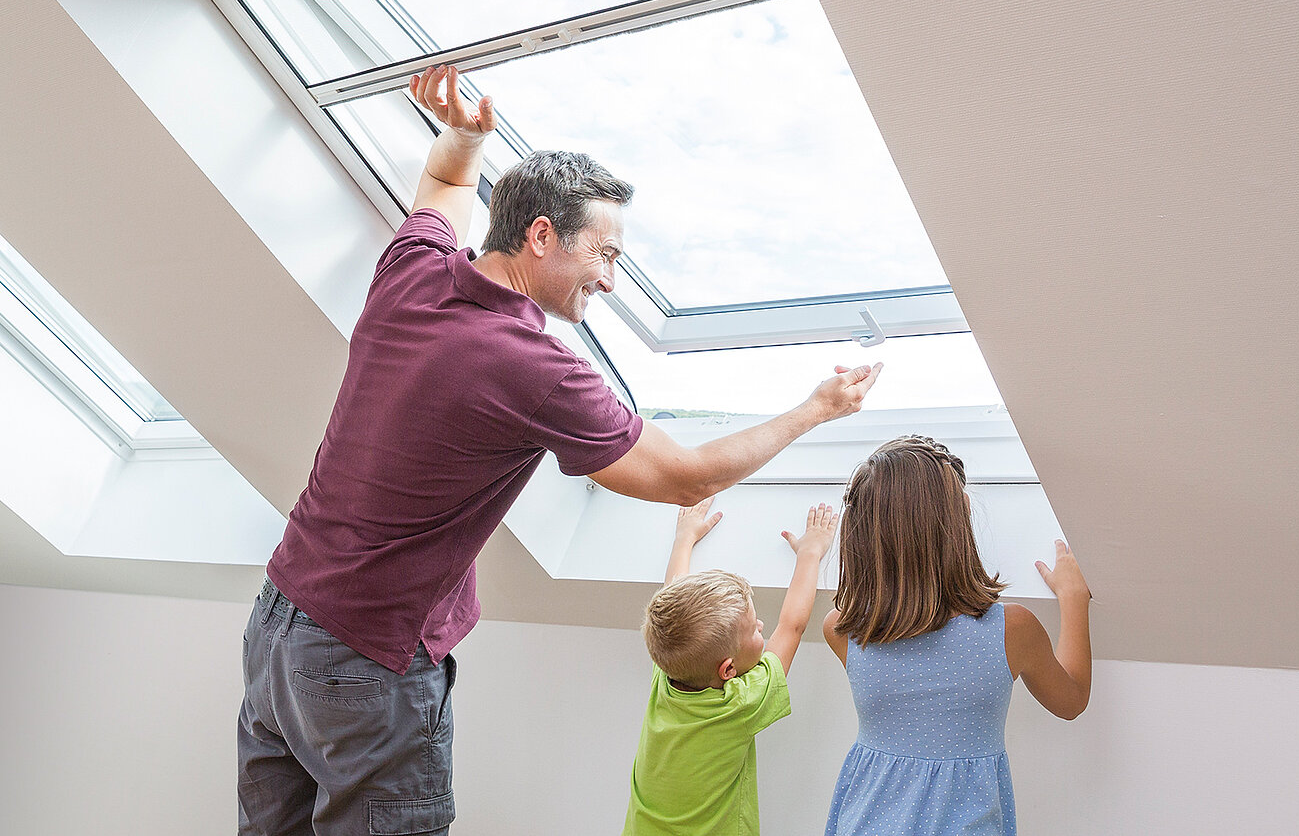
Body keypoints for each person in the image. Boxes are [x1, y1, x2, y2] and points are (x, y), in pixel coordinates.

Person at [237, 65, 882, 836]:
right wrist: (815, 408)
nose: (610, 280)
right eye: (605, 254)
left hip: (279, 626)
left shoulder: (412, 271)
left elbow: (443, 180)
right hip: (364, 658)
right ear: (542, 236)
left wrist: (468, 137)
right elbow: (684, 477)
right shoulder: (530, 364)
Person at [820, 435, 1092, 836]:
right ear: (957, 524)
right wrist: (1073, 601)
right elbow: (1071, 700)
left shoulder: (843, 630)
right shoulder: (1011, 630)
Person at [622, 497, 838, 835]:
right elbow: (791, 627)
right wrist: (810, 553)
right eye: (753, 629)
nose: (762, 626)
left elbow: (673, 597)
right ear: (728, 671)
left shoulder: (667, 671)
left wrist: (684, 538)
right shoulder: (738, 702)